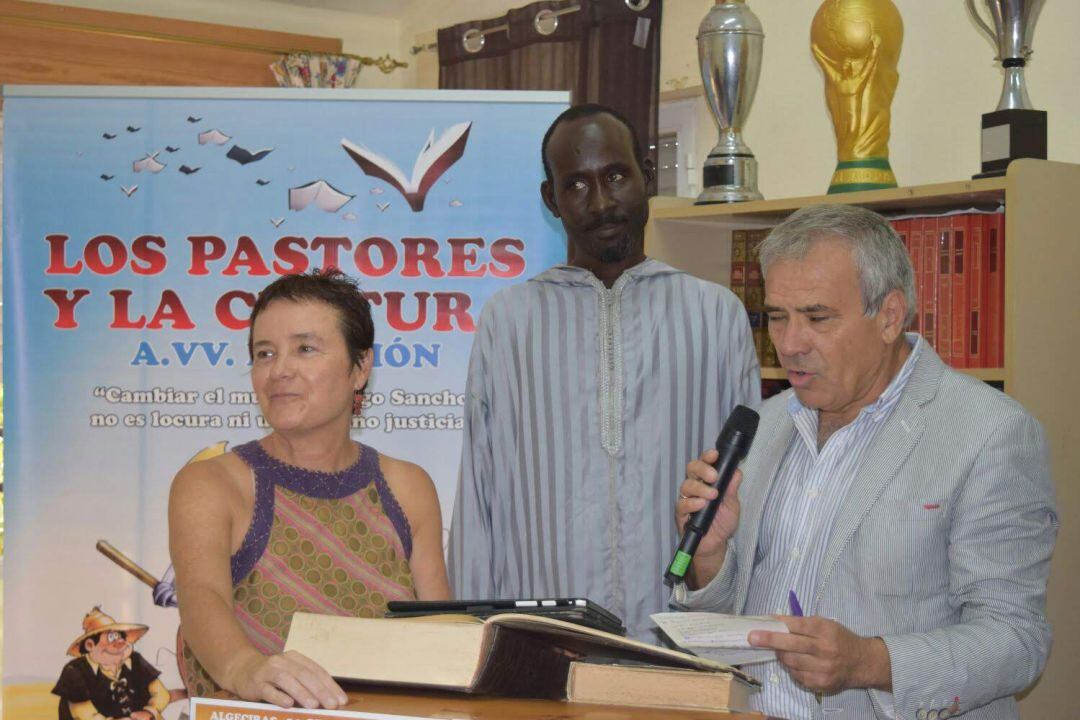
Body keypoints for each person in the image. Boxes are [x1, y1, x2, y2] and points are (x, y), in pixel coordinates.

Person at [673, 204, 1057, 719]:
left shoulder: (990, 433)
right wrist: (710, 560)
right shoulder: (761, 428)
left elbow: (1018, 640)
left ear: (890, 317)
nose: (789, 344)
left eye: (817, 317)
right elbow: (731, 623)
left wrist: (873, 661)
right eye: (777, 317)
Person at [448, 104, 761, 641]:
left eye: (616, 176)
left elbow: (748, 491)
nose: (600, 202)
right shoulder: (510, 321)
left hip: (682, 640)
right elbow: (479, 496)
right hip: (543, 643)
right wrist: (476, 638)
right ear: (551, 199)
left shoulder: (715, 314)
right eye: (576, 185)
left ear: (646, 174)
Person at [170, 270, 450, 710]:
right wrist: (245, 668)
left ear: (360, 368)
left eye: (305, 348)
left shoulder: (407, 486)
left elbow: (439, 634)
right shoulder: (211, 483)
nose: (279, 370)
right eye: (264, 353)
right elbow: (201, 599)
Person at [53, 607, 172, 720]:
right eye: (111, 637)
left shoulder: (135, 661)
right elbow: (85, 715)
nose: (120, 642)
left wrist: (149, 712)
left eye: (120, 635)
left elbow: (161, 694)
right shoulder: (75, 671)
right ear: (90, 645)